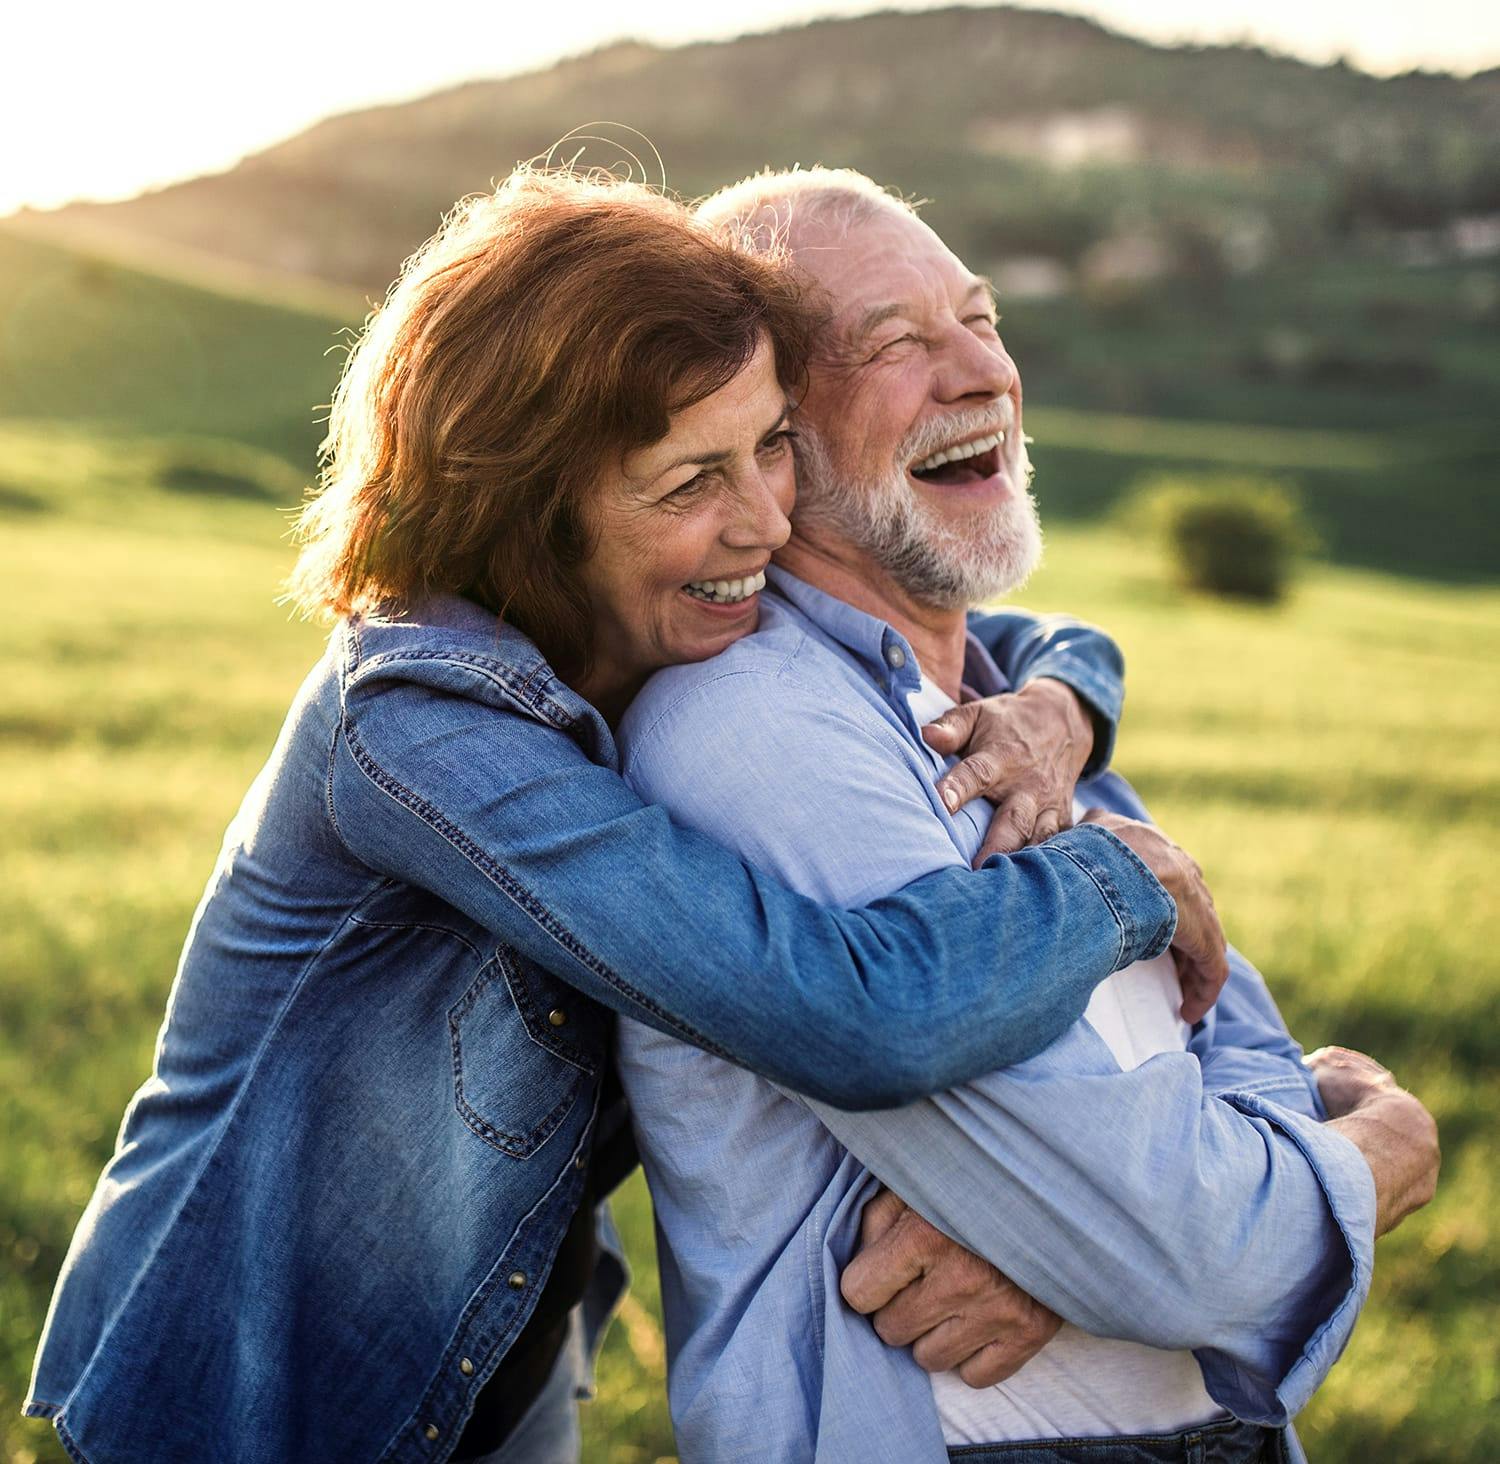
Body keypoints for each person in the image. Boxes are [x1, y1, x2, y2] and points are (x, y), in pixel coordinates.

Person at [21, 169, 1225, 1464]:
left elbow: (1009, 632)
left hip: (502, 1348)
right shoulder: (419, 729)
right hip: (261, 1393)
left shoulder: (647, 616)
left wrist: (1057, 710)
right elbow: (846, 1013)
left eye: (769, 442)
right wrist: (1120, 881)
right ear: (533, 507)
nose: (764, 519)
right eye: (688, 481)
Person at [614, 169, 1441, 1464]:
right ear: (772, 436)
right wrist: (1388, 1146)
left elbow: (1234, 1055)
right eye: (895, 343)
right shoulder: (757, 729)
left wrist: (1083, 1241)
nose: (979, 374)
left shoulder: (1021, 714)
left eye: (981, 319)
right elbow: (1183, 1249)